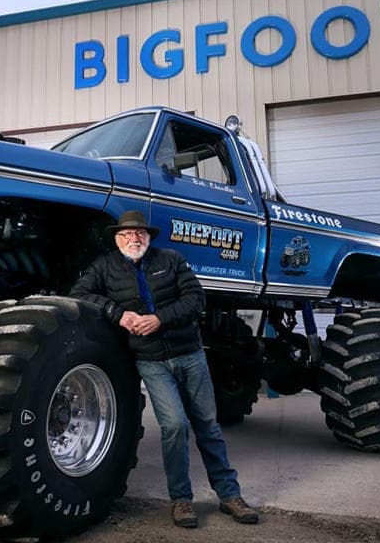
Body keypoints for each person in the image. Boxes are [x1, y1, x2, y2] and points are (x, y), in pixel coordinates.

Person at [69, 210, 260, 528]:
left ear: (149, 236)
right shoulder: (104, 266)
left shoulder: (171, 259)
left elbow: (195, 299)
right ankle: (182, 501)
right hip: (151, 361)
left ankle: (230, 496)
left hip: (190, 355)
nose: (134, 239)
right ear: (117, 239)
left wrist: (160, 319)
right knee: (173, 426)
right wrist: (118, 313)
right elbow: (79, 293)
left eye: (140, 233)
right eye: (127, 234)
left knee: (208, 427)